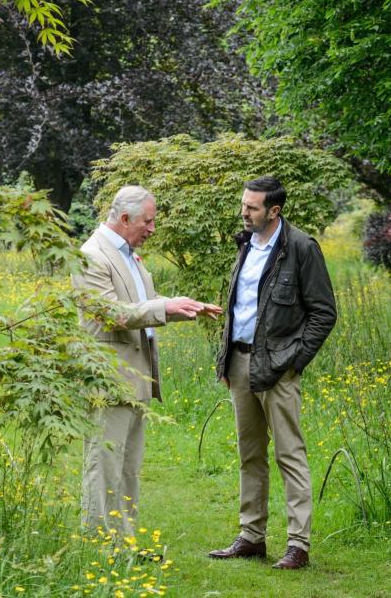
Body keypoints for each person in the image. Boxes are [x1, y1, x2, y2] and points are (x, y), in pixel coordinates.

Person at [72, 185, 222, 544]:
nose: (152, 229)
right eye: (148, 221)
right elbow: (110, 313)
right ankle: (99, 545)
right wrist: (163, 308)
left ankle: (124, 542)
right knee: (104, 465)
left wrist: (182, 306)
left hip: (135, 377)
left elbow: (144, 303)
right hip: (109, 377)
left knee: (128, 468)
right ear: (124, 219)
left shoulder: (128, 255)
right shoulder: (93, 255)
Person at [208, 176, 336, 570]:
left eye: (252, 207)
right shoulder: (245, 243)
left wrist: (294, 361)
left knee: (289, 455)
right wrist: (227, 358)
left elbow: (323, 313)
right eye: (243, 205)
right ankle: (251, 536)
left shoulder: (300, 248)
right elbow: (240, 307)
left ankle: (298, 544)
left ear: (274, 210)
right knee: (250, 455)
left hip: (278, 368)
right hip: (239, 363)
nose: (244, 212)